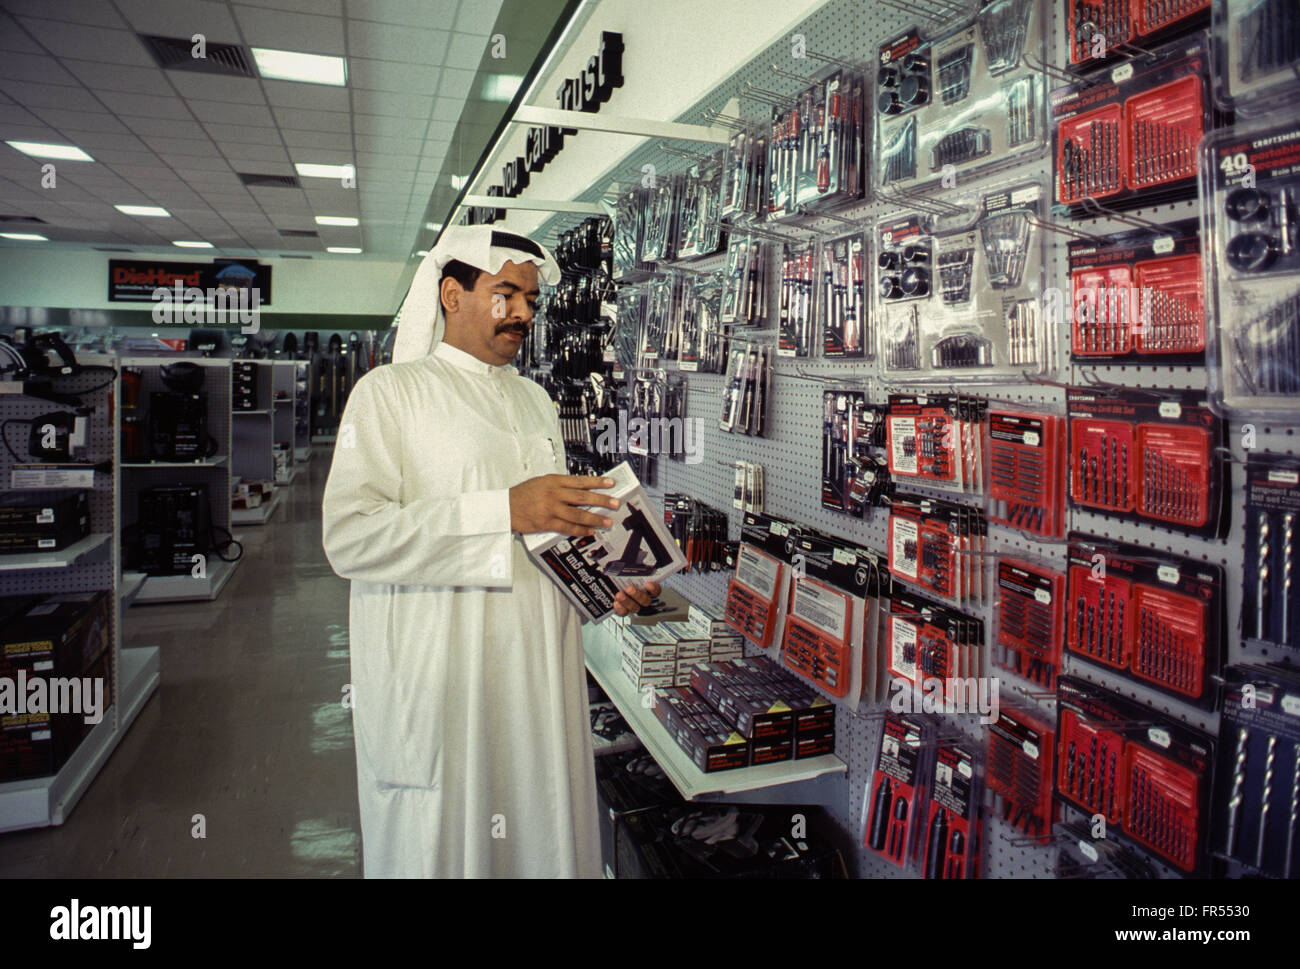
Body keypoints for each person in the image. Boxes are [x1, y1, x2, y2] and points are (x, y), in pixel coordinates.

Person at [322, 226, 659, 878]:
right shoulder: (389, 395)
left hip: (538, 678)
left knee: (540, 840)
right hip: (443, 683)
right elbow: (351, 536)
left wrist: (605, 579)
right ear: (452, 294)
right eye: (507, 295)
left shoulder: (535, 402)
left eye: (531, 299)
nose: (526, 314)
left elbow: (544, 540)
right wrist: (503, 508)